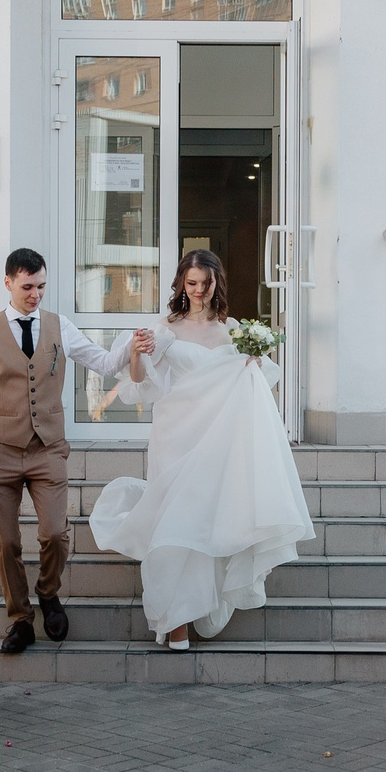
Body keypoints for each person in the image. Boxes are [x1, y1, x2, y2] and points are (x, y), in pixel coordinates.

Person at [89, 250, 315, 648]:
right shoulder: (165, 328)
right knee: (176, 521)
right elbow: (144, 386)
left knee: (208, 519)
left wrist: (252, 369)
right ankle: (174, 618)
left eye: (205, 284)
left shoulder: (233, 330)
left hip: (219, 438)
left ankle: (196, 608)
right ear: (181, 283)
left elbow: (252, 384)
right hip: (177, 434)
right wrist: (138, 354)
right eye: (191, 283)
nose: (198, 291)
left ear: (216, 284)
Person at [0, 249, 130, 656]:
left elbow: (104, 362)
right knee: (5, 542)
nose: (36, 294)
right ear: (8, 283)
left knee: (56, 534)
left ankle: (48, 592)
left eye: (41, 286)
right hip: (0, 451)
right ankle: (20, 620)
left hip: (47, 449)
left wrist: (135, 346)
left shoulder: (60, 326)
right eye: (28, 287)